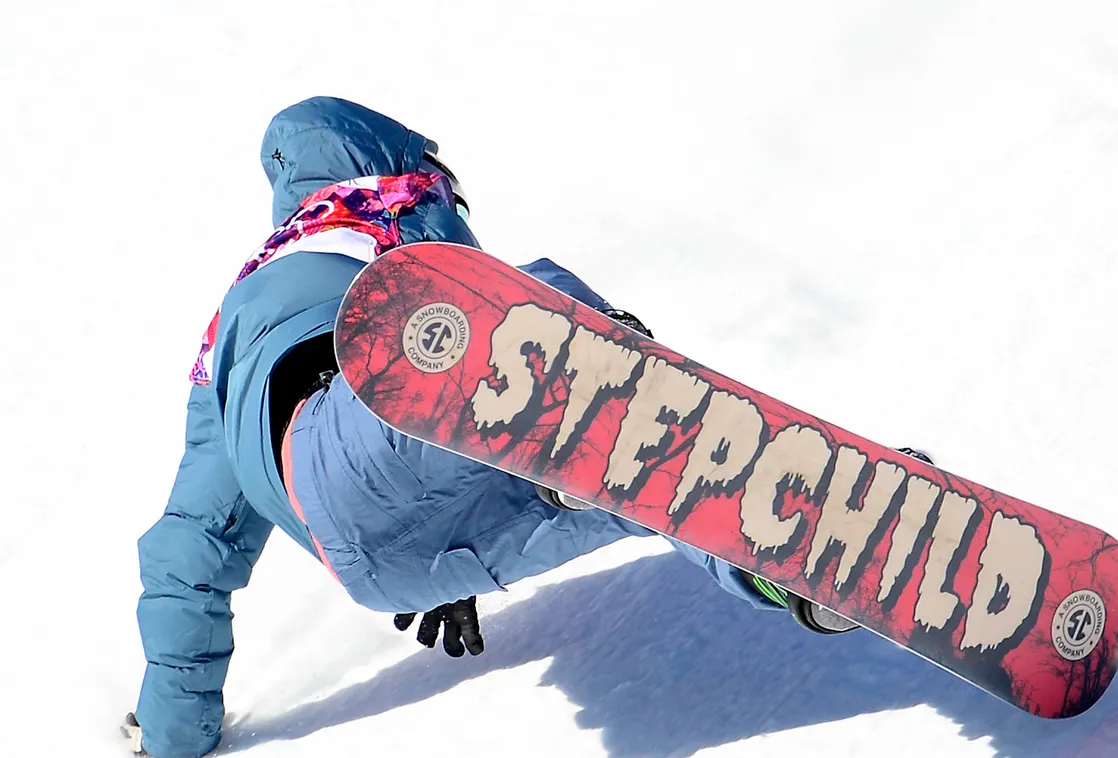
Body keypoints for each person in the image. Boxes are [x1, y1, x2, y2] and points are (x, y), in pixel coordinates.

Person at [124, 96, 887, 758]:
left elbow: (190, 548)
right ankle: (572, 438)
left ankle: (784, 555)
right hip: (357, 445)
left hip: (392, 560)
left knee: (654, 465)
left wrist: (173, 733)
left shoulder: (225, 340)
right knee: (542, 322)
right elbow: (473, 319)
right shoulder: (384, 203)